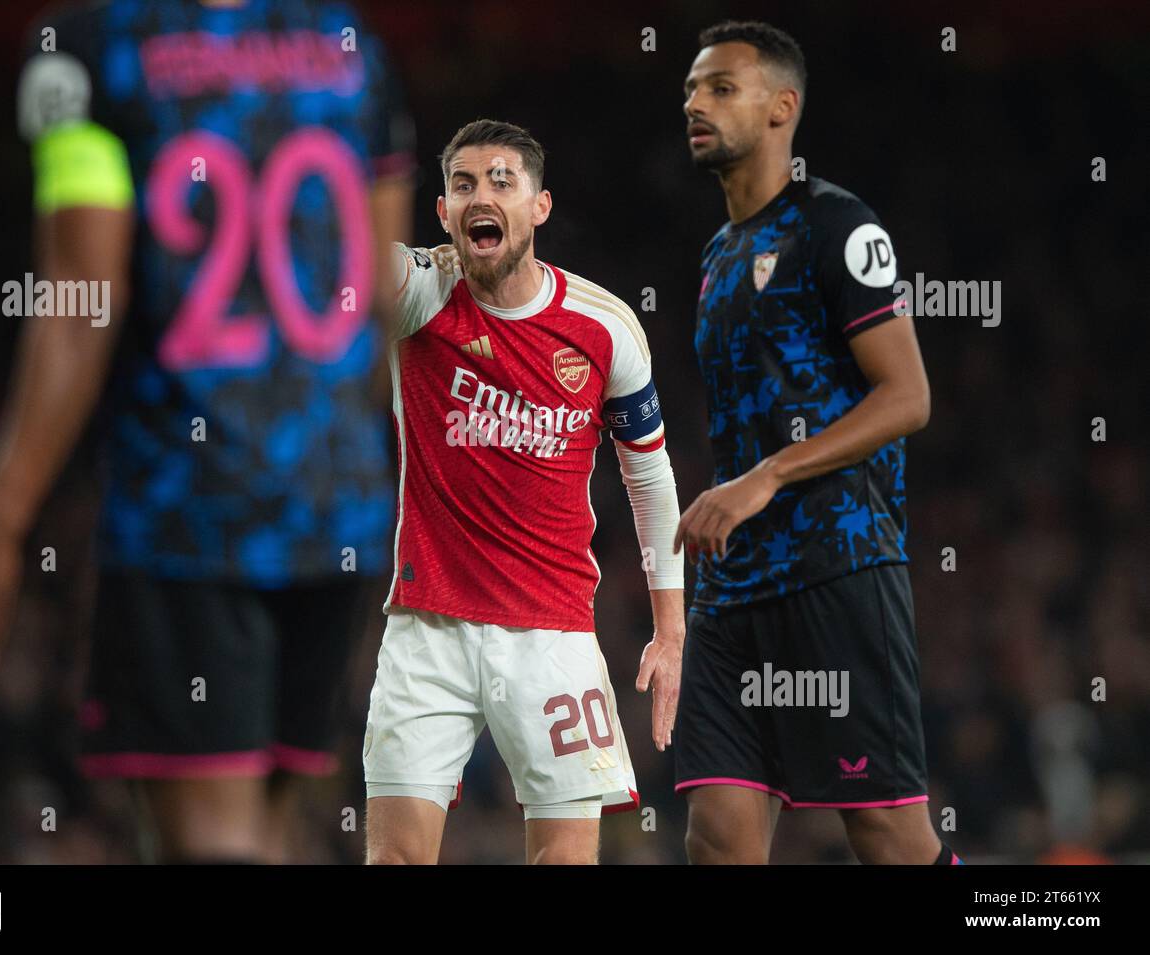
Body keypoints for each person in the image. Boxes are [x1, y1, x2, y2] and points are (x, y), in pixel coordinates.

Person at [0, 0, 414, 864]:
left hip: (191, 506)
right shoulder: (352, 49)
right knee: (269, 830)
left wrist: (2, 511)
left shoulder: (92, 51)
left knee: (211, 845)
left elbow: (81, 296)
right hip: (342, 510)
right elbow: (393, 294)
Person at [673, 20, 962, 865]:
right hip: (733, 588)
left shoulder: (838, 226)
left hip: (837, 566)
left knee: (888, 835)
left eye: (721, 87)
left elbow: (908, 396)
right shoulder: (717, 255)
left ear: (780, 108)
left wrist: (767, 476)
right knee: (718, 836)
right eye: (690, 88)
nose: (695, 102)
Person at [362, 119, 686, 865]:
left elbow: (651, 474)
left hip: (554, 635)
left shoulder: (605, 329)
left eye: (502, 181)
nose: (484, 196)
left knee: (565, 862)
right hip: (427, 627)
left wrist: (669, 630)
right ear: (443, 213)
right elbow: (348, 253)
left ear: (539, 205)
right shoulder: (422, 292)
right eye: (464, 184)